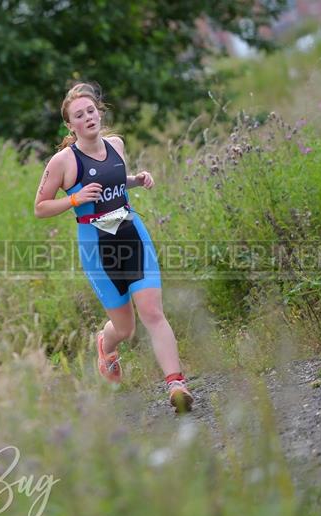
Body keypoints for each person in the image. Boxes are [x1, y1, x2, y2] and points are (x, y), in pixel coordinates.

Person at [33, 82, 194, 413]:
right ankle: (105, 346)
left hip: (132, 234)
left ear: (99, 112)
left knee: (152, 311)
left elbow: (115, 182)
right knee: (125, 328)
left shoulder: (116, 144)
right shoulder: (63, 161)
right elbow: (40, 207)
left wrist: (137, 180)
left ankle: (176, 383)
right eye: (80, 115)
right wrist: (74, 199)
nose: (89, 117)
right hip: (98, 249)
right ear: (70, 125)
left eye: (91, 110)